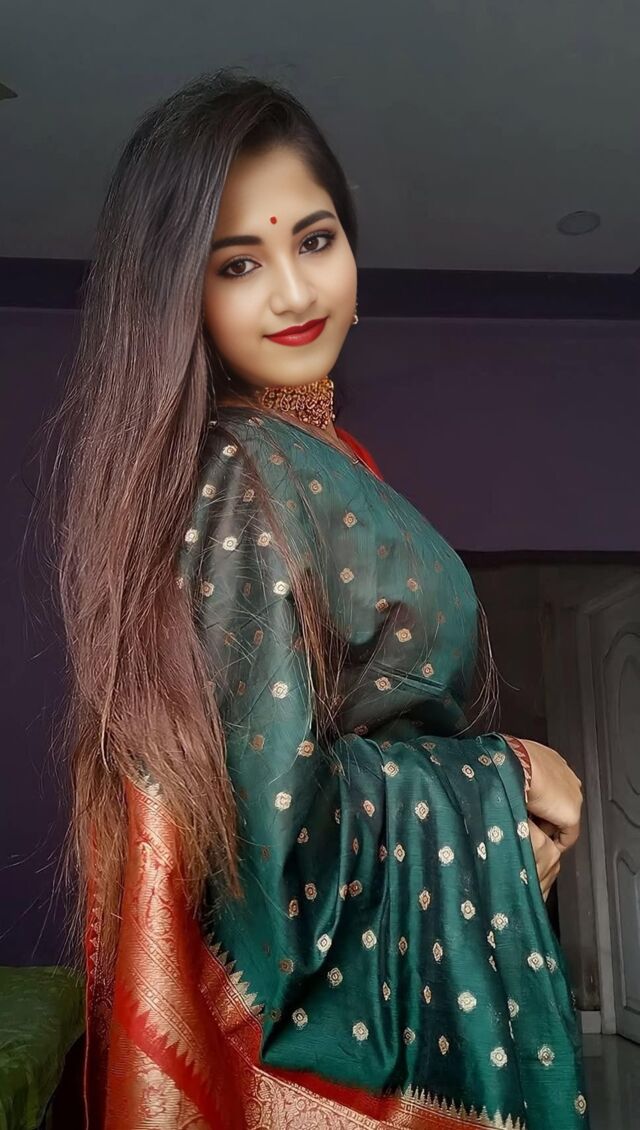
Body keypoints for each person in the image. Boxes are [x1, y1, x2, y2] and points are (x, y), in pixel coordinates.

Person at [46, 70, 588, 1128]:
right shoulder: (245, 475)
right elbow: (265, 847)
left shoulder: (332, 461)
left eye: (316, 239)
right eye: (238, 263)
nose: (295, 293)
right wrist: (505, 776)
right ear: (181, 294)